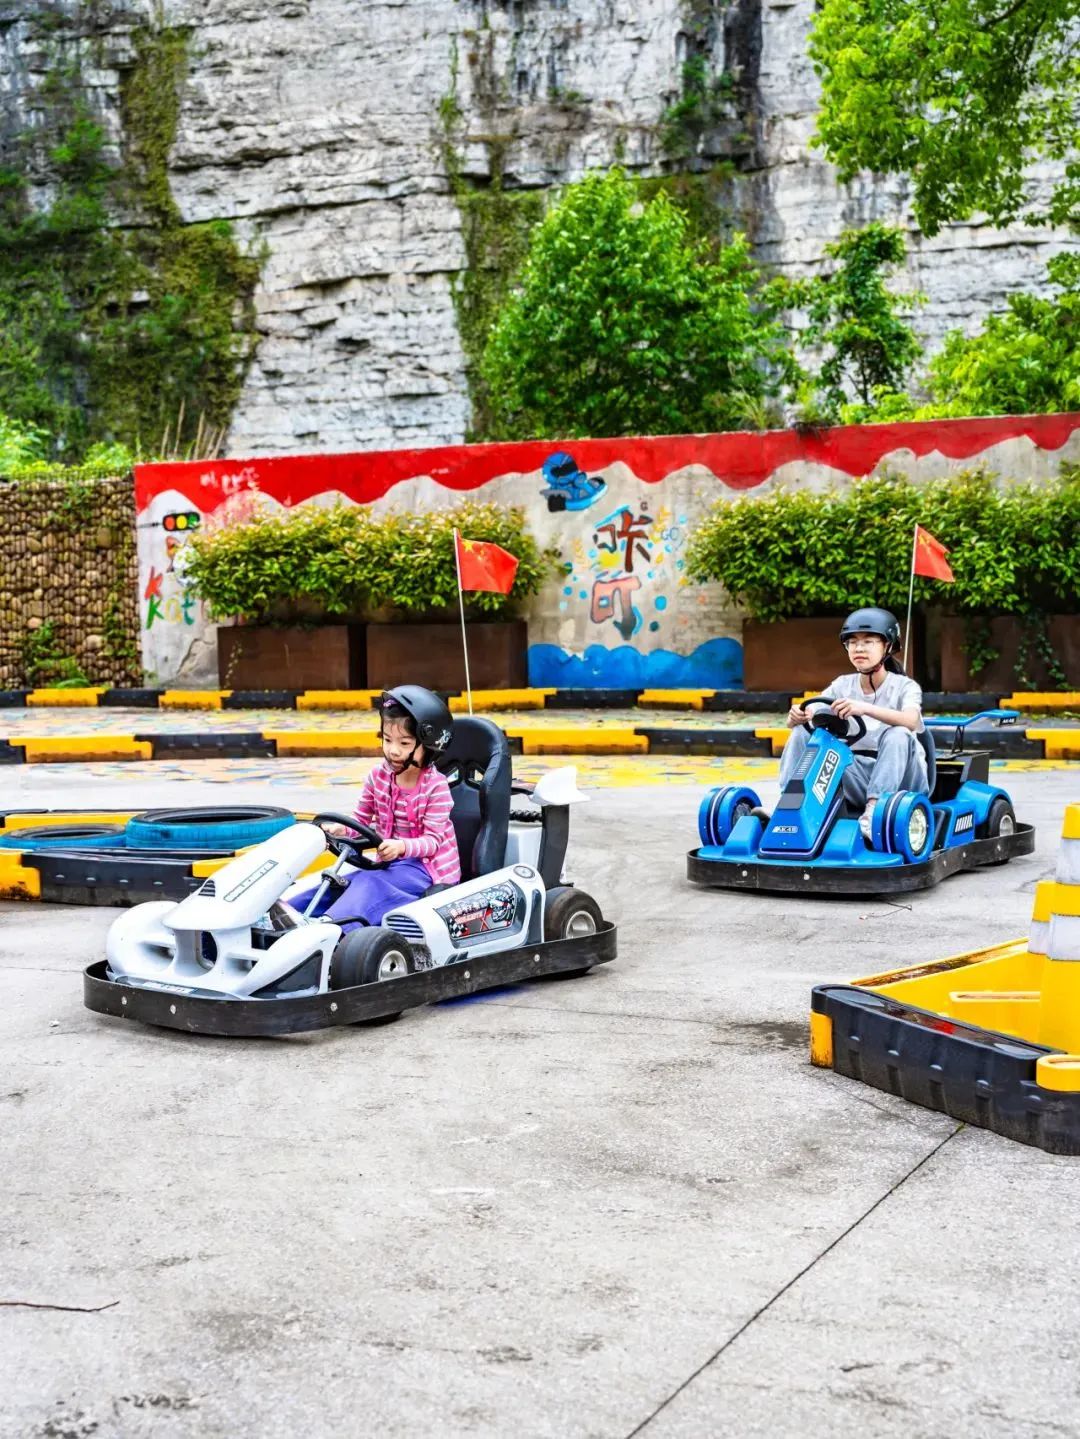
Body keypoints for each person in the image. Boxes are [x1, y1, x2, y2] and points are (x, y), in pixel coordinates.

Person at [291, 686, 460, 929]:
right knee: (340, 883)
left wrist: (401, 846)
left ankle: (331, 930)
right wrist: (341, 830)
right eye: (387, 740)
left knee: (369, 883)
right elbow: (360, 820)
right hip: (389, 862)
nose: (393, 750)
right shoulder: (377, 776)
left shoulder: (436, 787)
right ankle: (288, 915)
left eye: (404, 742)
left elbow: (432, 842)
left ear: (429, 746)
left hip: (428, 869)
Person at [778, 607, 929, 840]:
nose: (859, 648)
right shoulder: (842, 685)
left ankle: (874, 812)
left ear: (888, 646)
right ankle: (788, 806)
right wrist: (796, 716)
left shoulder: (905, 686)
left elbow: (911, 720)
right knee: (801, 732)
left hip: (903, 780)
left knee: (898, 733)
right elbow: (809, 712)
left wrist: (864, 708)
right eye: (852, 642)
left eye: (868, 641)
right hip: (858, 775)